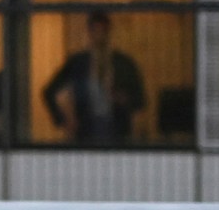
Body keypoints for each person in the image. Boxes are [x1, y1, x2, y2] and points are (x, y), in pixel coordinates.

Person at [42, 11, 145, 144]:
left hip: (116, 127)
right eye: (96, 31)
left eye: (103, 31)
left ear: (109, 33)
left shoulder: (123, 63)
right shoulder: (78, 62)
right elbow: (50, 91)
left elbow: (140, 98)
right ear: (89, 33)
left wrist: (124, 99)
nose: (100, 35)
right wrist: (65, 120)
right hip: (85, 126)